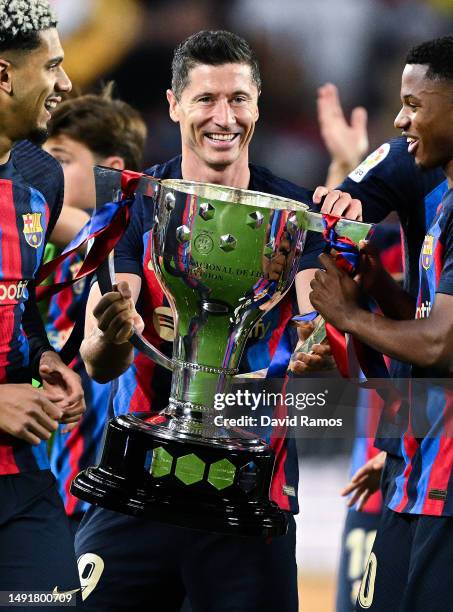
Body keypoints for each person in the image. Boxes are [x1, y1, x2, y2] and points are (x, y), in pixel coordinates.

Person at [74, 29, 364, 612]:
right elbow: (99, 362)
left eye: (238, 99)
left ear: (257, 105)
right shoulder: (133, 207)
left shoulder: (294, 216)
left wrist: (319, 343)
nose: (223, 117)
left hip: (251, 500)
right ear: (174, 104)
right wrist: (112, 327)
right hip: (137, 491)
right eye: (205, 99)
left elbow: (315, 313)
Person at [310, 35, 453, 612]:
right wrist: (381, 289)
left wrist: (346, 315)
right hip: (419, 465)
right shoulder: (442, 205)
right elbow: (428, 328)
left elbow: (441, 342)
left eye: (415, 105)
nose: (400, 118)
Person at [0, 0, 85, 599]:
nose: (66, 83)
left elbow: (18, 302)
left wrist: (44, 361)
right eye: (52, 66)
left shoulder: (39, 180)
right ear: (4, 75)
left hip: (20, 479)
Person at [41, 87, 147, 535]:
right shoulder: (61, 251)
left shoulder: (108, 234)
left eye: (62, 159)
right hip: (66, 480)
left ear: (113, 172)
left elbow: (51, 214)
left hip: (93, 493)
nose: (46, 171)